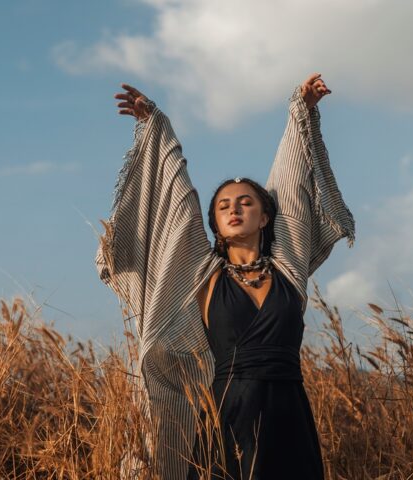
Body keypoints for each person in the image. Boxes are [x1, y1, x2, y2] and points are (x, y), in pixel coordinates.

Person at [95, 73, 355, 479]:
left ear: (265, 216)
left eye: (246, 203)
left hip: (290, 417)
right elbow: (179, 197)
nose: (234, 209)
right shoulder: (203, 275)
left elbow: (289, 186)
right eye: (223, 206)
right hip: (226, 416)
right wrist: (156, 126)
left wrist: (300, 110)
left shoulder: (288, 266)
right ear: (215, 225)